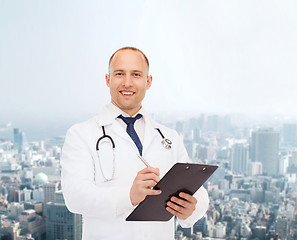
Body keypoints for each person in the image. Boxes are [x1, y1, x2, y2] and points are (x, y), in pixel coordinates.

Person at [61, 47, 209, 239]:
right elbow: (75, 197)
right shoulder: (81, 134)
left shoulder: (169, 137)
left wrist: (192, 207)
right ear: (108, 80)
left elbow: (197, 191)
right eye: (119, 74)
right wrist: (129, 197)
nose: (127, 83)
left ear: (148, 82)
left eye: (136, 75)